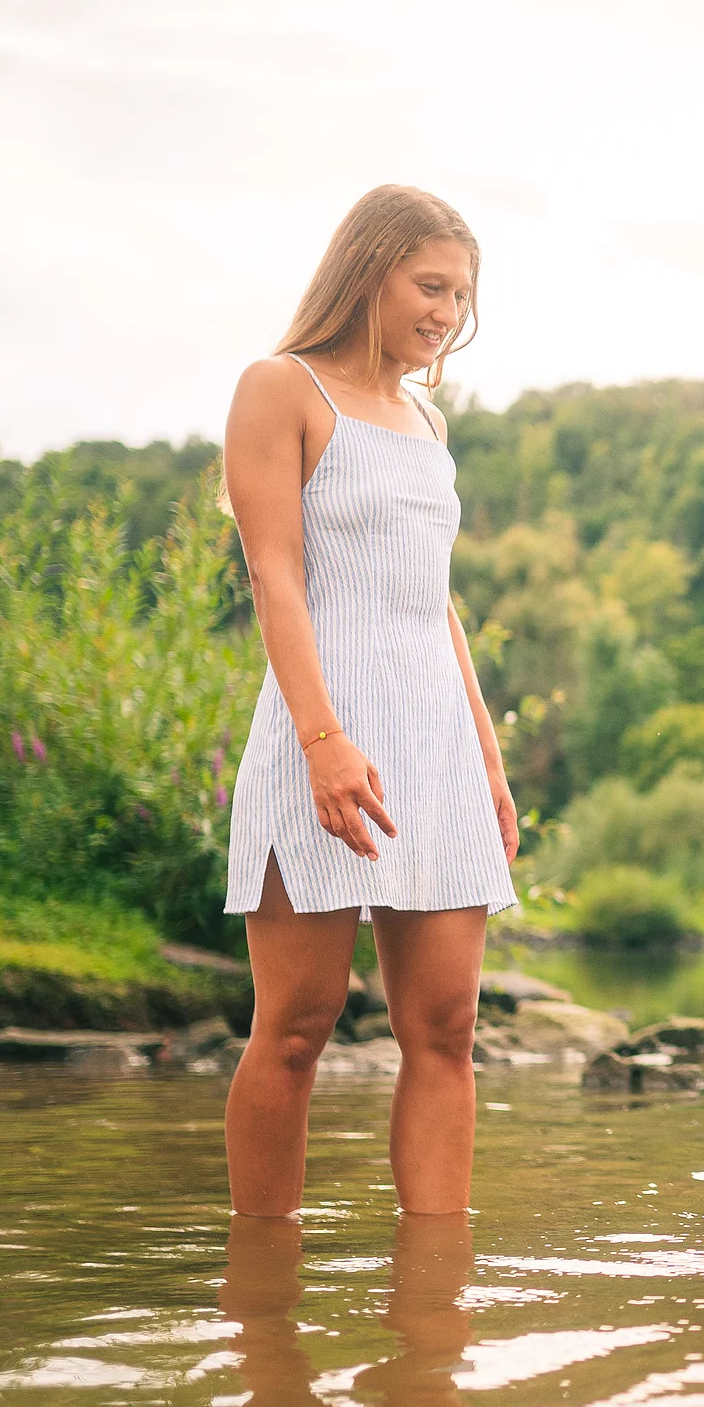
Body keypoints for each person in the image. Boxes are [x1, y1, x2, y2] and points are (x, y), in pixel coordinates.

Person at [219, 185, 519, 1219]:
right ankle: (263, 1278)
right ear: (369, 269)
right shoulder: (281, 388)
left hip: (436, 748)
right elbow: (275, 575)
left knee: (445, 1032)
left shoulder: (428, 419)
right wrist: (323, 740)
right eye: (431, 286)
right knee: (295, 1030)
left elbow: (437, 604)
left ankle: (434, 1289)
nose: (447, 313)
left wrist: (487, 762)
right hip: (322, 738)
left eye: (461, 296)